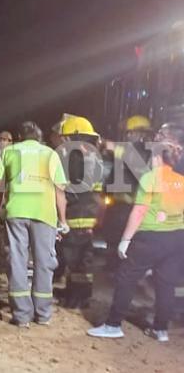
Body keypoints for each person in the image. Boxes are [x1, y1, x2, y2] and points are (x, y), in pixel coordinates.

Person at [87, 123, 184, 343]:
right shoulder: (181, 180)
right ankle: (161, 330)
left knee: (127, 277)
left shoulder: (151, 178)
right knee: (166, 284)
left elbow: (139, 211)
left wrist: (125, 241)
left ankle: (113, 325)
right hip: (177, 237)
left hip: (150, 236)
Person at [0, 121, 69, 327]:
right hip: (45, 214)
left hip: (16, 212)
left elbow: (0, 188)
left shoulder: (10, 152)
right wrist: (62, 221)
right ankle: (43, 314)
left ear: (19, 136)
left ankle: (21, 315)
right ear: (40, 137)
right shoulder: (51, 154)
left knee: (17, 261)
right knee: (44, 262)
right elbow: (59, 191)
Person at [55, 115, 104, 309]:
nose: (63, 141)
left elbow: (65, 189)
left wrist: (61, 217)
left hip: (75, 214)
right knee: (85, 259)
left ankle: (75, 298)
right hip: (90, 214)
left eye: (65, 137)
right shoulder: (95, 156)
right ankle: (82, 296)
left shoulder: (73, 157)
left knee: (74, 259)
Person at [99, 115, 154, 271]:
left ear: (142, 133)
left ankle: (124, 270)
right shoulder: (127, 150)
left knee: (127, 241)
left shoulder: (146, 150)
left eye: (131, 133)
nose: (128, 136)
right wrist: (106, 191)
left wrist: (115, 149)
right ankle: (112, 266)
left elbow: (139, 168)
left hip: (131, 205)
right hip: (117, 205)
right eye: (127, 133)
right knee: (111, 235)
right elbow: (115, 174)